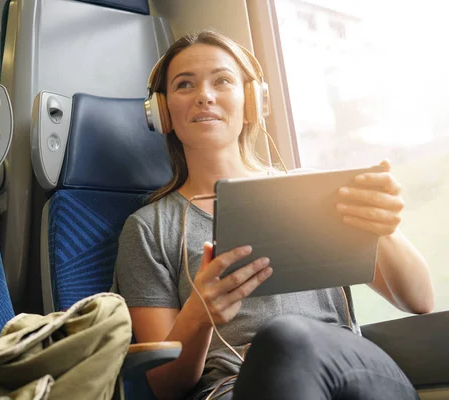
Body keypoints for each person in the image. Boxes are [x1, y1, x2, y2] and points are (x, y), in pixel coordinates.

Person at [112, 30, 434, 400]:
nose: (205, 95)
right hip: (231, 391)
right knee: (280, 342)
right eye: (185, 84)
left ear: (251, 101)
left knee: (287, 338)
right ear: (163, 111)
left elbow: (419, 301)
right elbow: (166, 388)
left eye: (223, 80)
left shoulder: (313, 192)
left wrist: (385, 230)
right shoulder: (148, 229)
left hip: (349, 376)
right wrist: (199, 316)